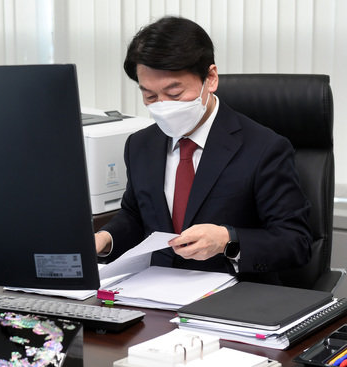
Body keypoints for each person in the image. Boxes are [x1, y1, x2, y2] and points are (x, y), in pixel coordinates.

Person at [95, 16, 311, 284]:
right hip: (155, 293)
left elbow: (296, 242)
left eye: (174, 94)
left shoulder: (265, 148)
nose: (162, 105)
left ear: (210, 78)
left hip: (232, 302)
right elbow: (136, 215)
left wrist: (228, 240)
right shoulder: (141, 144)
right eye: (150, 96)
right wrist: (105, 239)